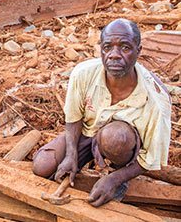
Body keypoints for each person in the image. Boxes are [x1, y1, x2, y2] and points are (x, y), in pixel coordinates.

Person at [32, 19, 171, 207]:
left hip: (120, 143)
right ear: (101, 49)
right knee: (42, 165)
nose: (114, 55)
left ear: (138, 50)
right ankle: (81, 159)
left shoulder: (156, 99)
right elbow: (74, 118)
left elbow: (151, 158)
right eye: (107, 47)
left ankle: (117, 171)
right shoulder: (83, 74)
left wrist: (114, 179)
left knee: (115, 138)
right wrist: (71, 156)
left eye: (125, 48)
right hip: (87, 132)